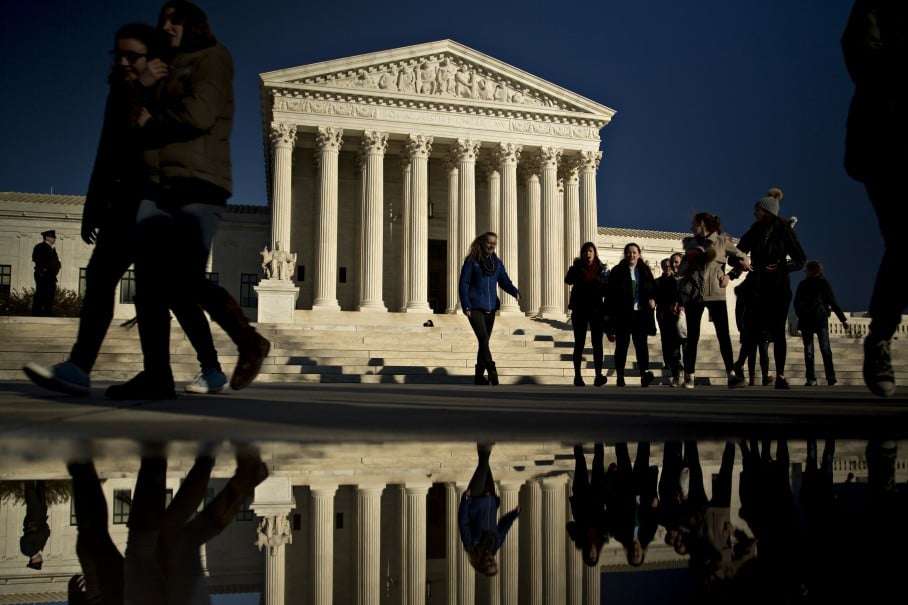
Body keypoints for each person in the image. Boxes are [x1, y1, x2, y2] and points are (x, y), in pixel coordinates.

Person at [22, 23, 262, 398]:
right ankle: (84, 367)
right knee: (108, 280)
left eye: (132, 56)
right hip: (124, 203)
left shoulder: (171, 92)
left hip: (156, 203)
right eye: (118, 55)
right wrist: (92, 205)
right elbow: (108, 152)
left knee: (168, 292)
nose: (123, 62)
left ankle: (191, 366)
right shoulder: (123, 91)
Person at [106, 1, 270, 400]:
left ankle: (246, 341)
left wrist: (152, 109)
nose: (166, 26)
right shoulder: (161, 66)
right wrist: (144, 85)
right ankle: (159, 374)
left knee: (181, 280)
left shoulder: (211, 58)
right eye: (162, 19)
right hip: (161, 183)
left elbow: (198, 115)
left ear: (194, 24)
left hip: (198, 182)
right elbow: (128, 124)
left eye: (174, 19)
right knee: (150, 282)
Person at [842, 1, 908, 397]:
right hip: (888, 139)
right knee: (904, 241)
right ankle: (880, 337)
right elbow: (860, 53)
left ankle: (880, 336)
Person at [679, 213, 750, 389]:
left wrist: (731, 275)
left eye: (693, 224)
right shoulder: (690, 244)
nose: (690, 228)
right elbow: (681, 270)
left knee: (723, 335)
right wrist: (690, 261)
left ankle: (731, 375)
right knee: (692, 336)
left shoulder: (722, 241)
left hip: (716, 293)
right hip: (694, 294)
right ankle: (689, 376)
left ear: (702, 224)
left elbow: (744, 259)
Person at [458, 232, 519, 385]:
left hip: (491, 307)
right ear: (482, 243)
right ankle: (492, 369)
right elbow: (464, 283)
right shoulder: (472, 261)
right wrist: (465, 304)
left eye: (494, 243)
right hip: (475, 306)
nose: (492, 245)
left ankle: (479, 377)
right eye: (489, 242)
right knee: (484, 339)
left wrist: (514, 292)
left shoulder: (496, 263)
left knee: (483, 342)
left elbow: (504, 281)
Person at [458, 444, 520, 576]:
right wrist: (514, 514)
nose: (491, 562)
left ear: (481, 565)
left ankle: (485, 437)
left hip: (475, 497)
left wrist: (466, 500)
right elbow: (503, 527)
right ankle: (484, 439)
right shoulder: (495, 545)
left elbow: (463, 523)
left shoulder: (471, 546)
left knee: (483, 464)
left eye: (489, 565)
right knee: (484, 462)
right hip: (490, 497)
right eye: (494, 564)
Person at [606, 243, 656, 387]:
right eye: (628, 252)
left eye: (634, 252)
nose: (631, 255)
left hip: (640, 314)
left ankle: (644, 374)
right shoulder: (617, 271)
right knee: (622, 346)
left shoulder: (645, 271)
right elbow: (610, 296)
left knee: (641, 346)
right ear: (625, 254)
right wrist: (610, 321)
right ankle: (620, 376)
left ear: (639, 254)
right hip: (623, 315)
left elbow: (652, 288)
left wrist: (653, 298)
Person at [794, 261, 850, 386]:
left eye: (806, 270)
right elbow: (797, 303)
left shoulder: (818, 284)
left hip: (815, 320)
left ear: (812, 270)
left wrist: (842, 319)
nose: (805, 272)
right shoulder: (806, 284)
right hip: (814, 320)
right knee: (820, 350)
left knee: (816, 350)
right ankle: (823, 378)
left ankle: (818, 378)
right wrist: (843, 320)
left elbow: (832, 301)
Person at [607, 442, 659, 566]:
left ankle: (618, 428)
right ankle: (644, 426)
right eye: (638, 555)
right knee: (643, 453)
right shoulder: (649, 534)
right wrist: (655, 502)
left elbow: (613, 508)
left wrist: (612, 478)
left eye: (632, 556)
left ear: (628, 554)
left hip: (625, 490)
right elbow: (654, 513)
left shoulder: (619, 535)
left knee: (622, 454)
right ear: (642, 553)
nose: (635, 553)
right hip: (642, 490)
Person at [565, 242, 609, 387]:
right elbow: (568, 280)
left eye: (590, 251)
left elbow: (606, 288)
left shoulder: (601, 269)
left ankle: (598, 375)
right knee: (579, 343)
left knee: (598, 344)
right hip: (580, 310)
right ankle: (577, 376)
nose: (588, 254)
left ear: (595, 253)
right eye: (585, 251)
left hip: (596, 310)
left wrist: (601, 280)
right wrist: (575, 267)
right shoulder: (577, 268)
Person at [567, 442, 610, 566]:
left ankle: (578, 445)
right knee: (598, 467)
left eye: (589, 555)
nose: (592, 553)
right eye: (594, 556)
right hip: (598, 499)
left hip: (582, 500)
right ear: (597, 553)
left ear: (586, 554)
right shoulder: (603, 538)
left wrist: (576, 534)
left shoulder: (579, 540)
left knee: (580, 465)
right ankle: (599, 443)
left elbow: (569, 525)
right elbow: (607, 517)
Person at [732, 275, 771, 386]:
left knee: (760, 352)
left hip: (761, 326)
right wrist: (741, 326)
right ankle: (754, 377)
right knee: (753, 352)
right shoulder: (744, 293)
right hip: (751, 326)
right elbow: (739, 311)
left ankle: (763, 377)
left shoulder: (764, 291)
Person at [654, 258, 682, 386]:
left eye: (669, 265)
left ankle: (676, 363)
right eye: (665, 266)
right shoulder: (657, 282)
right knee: (665, 338)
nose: (667, 268)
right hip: (662, 313)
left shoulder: (676, 281)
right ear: (662, 267)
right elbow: (654, 296)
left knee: (675, 339)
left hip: (674, 313)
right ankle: (668, 362)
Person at [20, 480, 50, 571]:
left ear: (34, 561)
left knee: (31, 495)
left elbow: (24, 539)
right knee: (41, 492)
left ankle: (28, 477)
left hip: (33, 519)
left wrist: (39, 533)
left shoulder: (27, 551)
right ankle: (41, 476)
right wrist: (44, 532)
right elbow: (45, 533)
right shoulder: (39, 549)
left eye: (40, 562)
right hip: (41, 517)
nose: (42, 560)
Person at [31, 230, 61, 316]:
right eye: (53, 237)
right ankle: (36, 312)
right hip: (42, 274)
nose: (54, 239)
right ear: (47, 237)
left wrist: (56, 267)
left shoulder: (53, 249)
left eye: (54, 237)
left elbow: (57, 263)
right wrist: (44, 270)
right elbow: (36, 259)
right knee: (41, 293)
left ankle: (48, 312)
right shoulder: (40, 247)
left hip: (51, 276)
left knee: (50, 294)